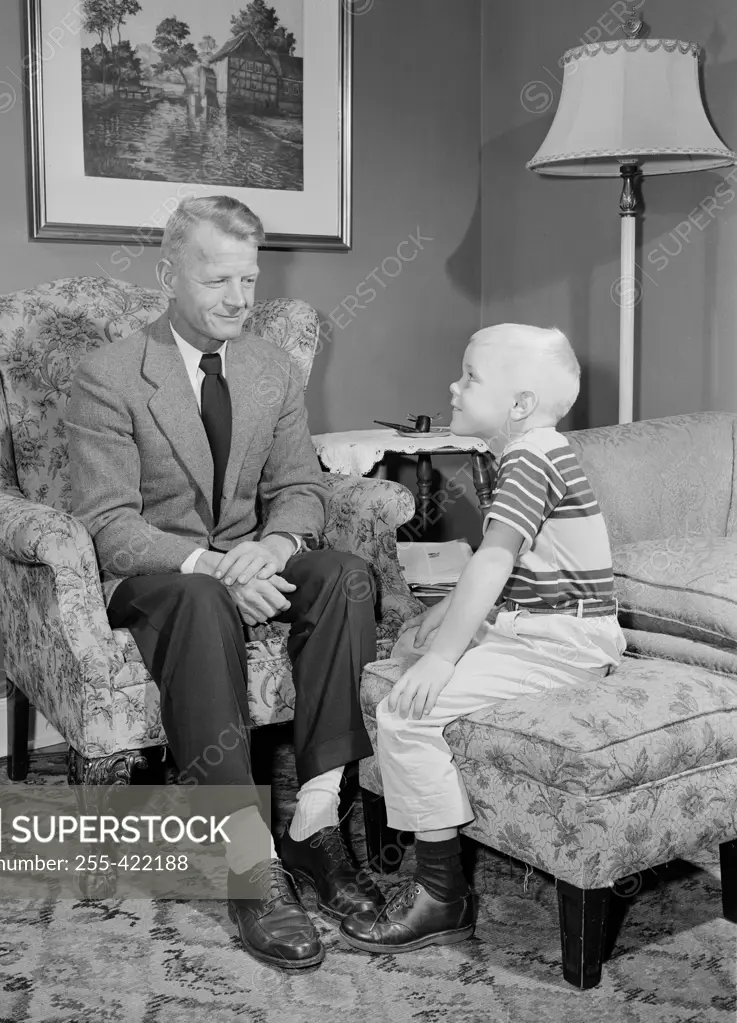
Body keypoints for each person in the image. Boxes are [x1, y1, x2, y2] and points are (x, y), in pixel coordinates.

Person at [65, 195, 384, 970]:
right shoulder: (107, 376)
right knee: (204, 597)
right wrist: (212, 565)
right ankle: (246, 859)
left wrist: (274, 547)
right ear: (168, 274)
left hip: (248, 556)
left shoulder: (270, 366)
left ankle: (311, 825)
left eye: (250, 278)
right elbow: (108, 522)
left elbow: (301, 487)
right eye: (218, 281)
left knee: (344, 574)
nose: (240, 299)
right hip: (157, 577)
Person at [339, 323, 627, 953]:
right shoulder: (525, 454)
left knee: (404, 713)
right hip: (538, 625)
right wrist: (438, 620)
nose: (454, 385)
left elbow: (495, 562)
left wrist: (443, 660)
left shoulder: (531, 459)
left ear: (519, 405)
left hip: (564, 641)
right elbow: (496, 567)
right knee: (409, 654)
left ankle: (443, 896)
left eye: (470, 377)